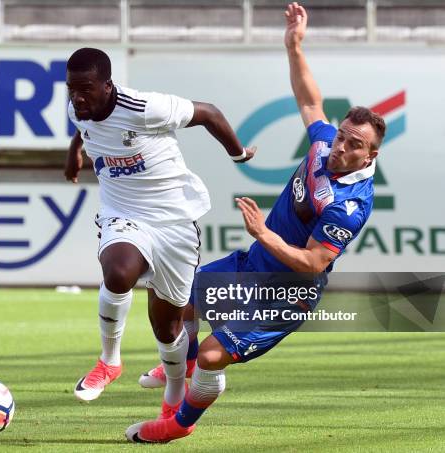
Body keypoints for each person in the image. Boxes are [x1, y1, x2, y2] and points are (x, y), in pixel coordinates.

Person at [127, 2, 387, 443]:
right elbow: (310, 100)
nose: (341, 146)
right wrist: (294, 46)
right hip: (254, 263)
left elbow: (313, 262)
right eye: (342, 134)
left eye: (354, 143)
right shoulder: (324, 147)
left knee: (213, 356)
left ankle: (178, 425)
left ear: (371, 155)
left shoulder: (349, 205)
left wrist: (264, 232)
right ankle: (183, 365)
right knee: (179, 299)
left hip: (287, 293)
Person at [65, 47, 256, 420]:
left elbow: (209, 113)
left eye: (85, 88)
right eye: (71, 88)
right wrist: (76, 151)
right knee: (118, 272)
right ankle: (109, 361)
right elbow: (83, 126)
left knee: (167, 328)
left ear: (108, 85)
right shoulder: (79, 106)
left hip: (174, 222)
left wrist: (238, 154)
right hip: (123, 213)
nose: (77, 97)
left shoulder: (146, 108)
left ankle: (173, 393)